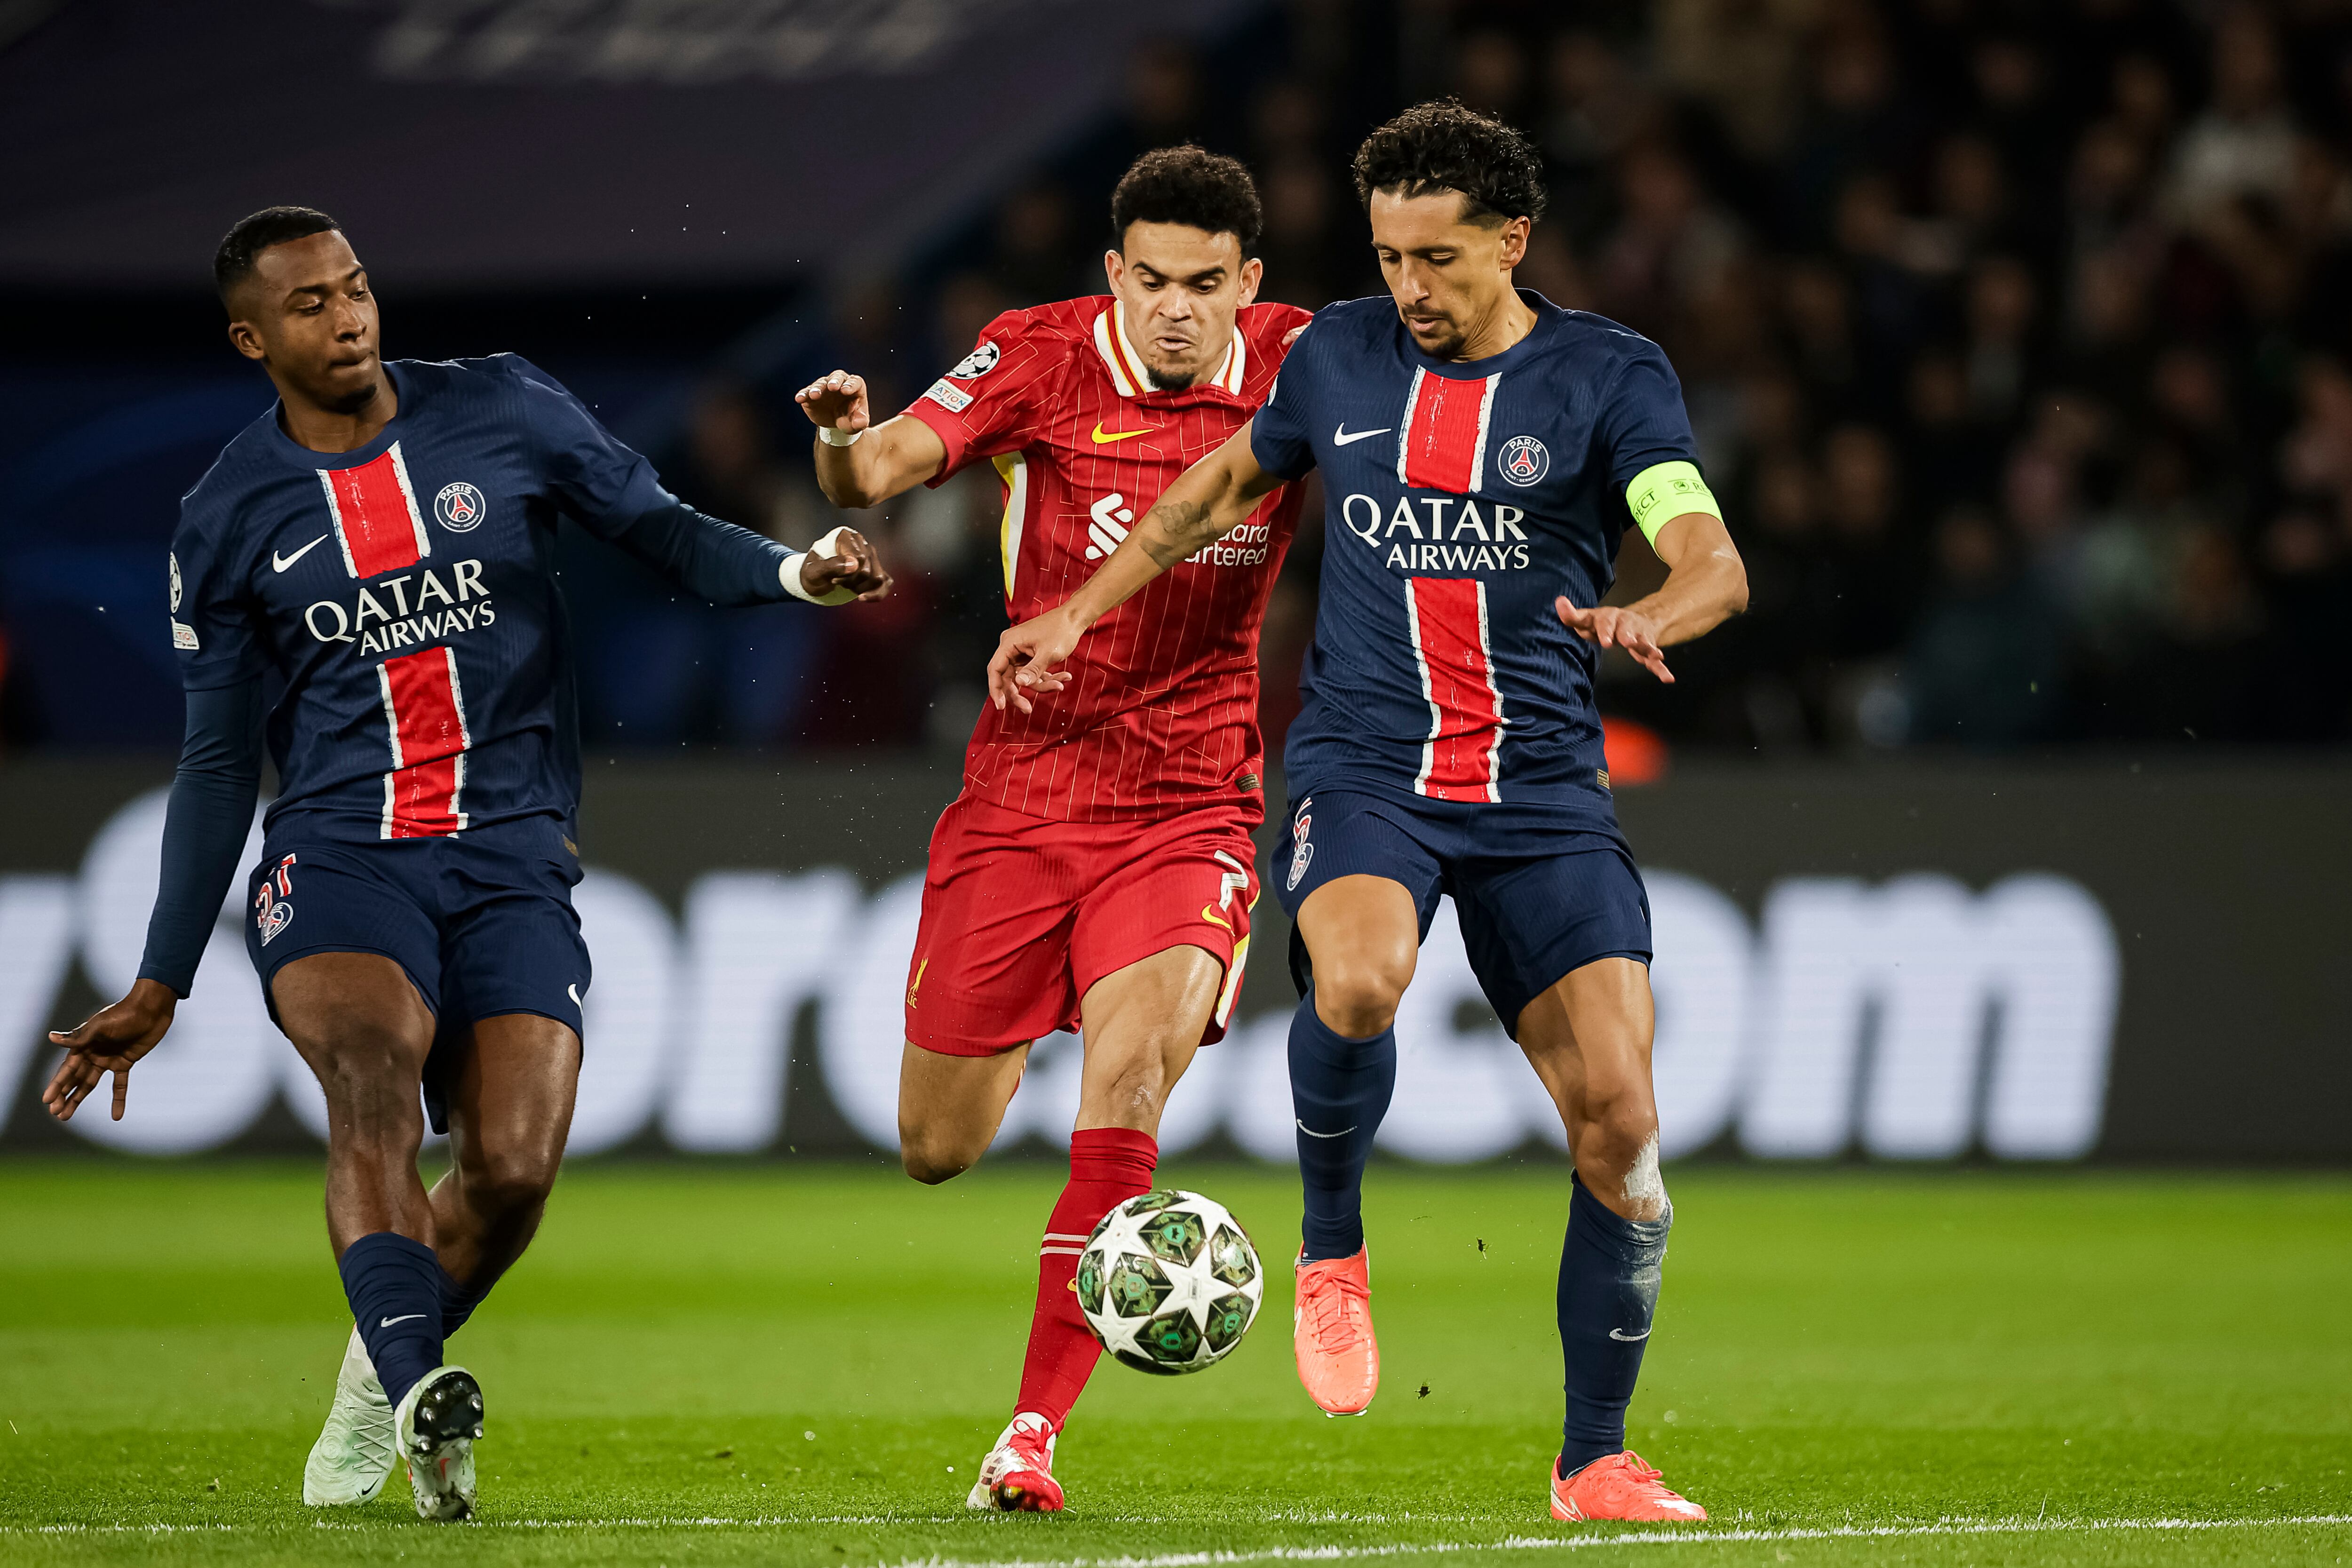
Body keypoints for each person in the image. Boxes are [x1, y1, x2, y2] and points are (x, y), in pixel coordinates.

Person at [40, 207, 889, 1522]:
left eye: (359, 287)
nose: (350, 317)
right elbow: (217, 768)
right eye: (312, 304)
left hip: (510, 850)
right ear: (251, 337)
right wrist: (161, 981)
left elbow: (661, 531)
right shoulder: (226, 516)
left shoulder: (503, 408)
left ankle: (382, 1376)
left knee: (512, 1169)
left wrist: (796, 572)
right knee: (372, 1082)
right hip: (338, 853)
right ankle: (426, 1385)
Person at [990, 103, 1749, 1524]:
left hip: (1540, 796)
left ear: (1513, 242)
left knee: (1625, 1129)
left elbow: (1709, 548)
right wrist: (1075, 611)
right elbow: (1214, 490)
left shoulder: (1607, 375)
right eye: (1391, 254)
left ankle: (1594, 1460)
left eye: (1441, 258)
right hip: (1363, 768)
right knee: (1356, 978)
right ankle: (1332, 1250)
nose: (1410, 286)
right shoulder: (1336, 354)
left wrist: (1661, 609)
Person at [794, 147, 1310, 1512]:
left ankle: (1029, 1437)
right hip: (1025, 800)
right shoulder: (1036, 355)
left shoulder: (1308, 367)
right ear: (1114, 275)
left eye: (1208, 284)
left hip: (1193, 800)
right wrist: (843, 441)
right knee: (938, 1144)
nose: (1178, 310)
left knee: (1127, 1092)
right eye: (1153, 281)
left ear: (1249, 284)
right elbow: (877, 474)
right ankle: (1031, 1022)